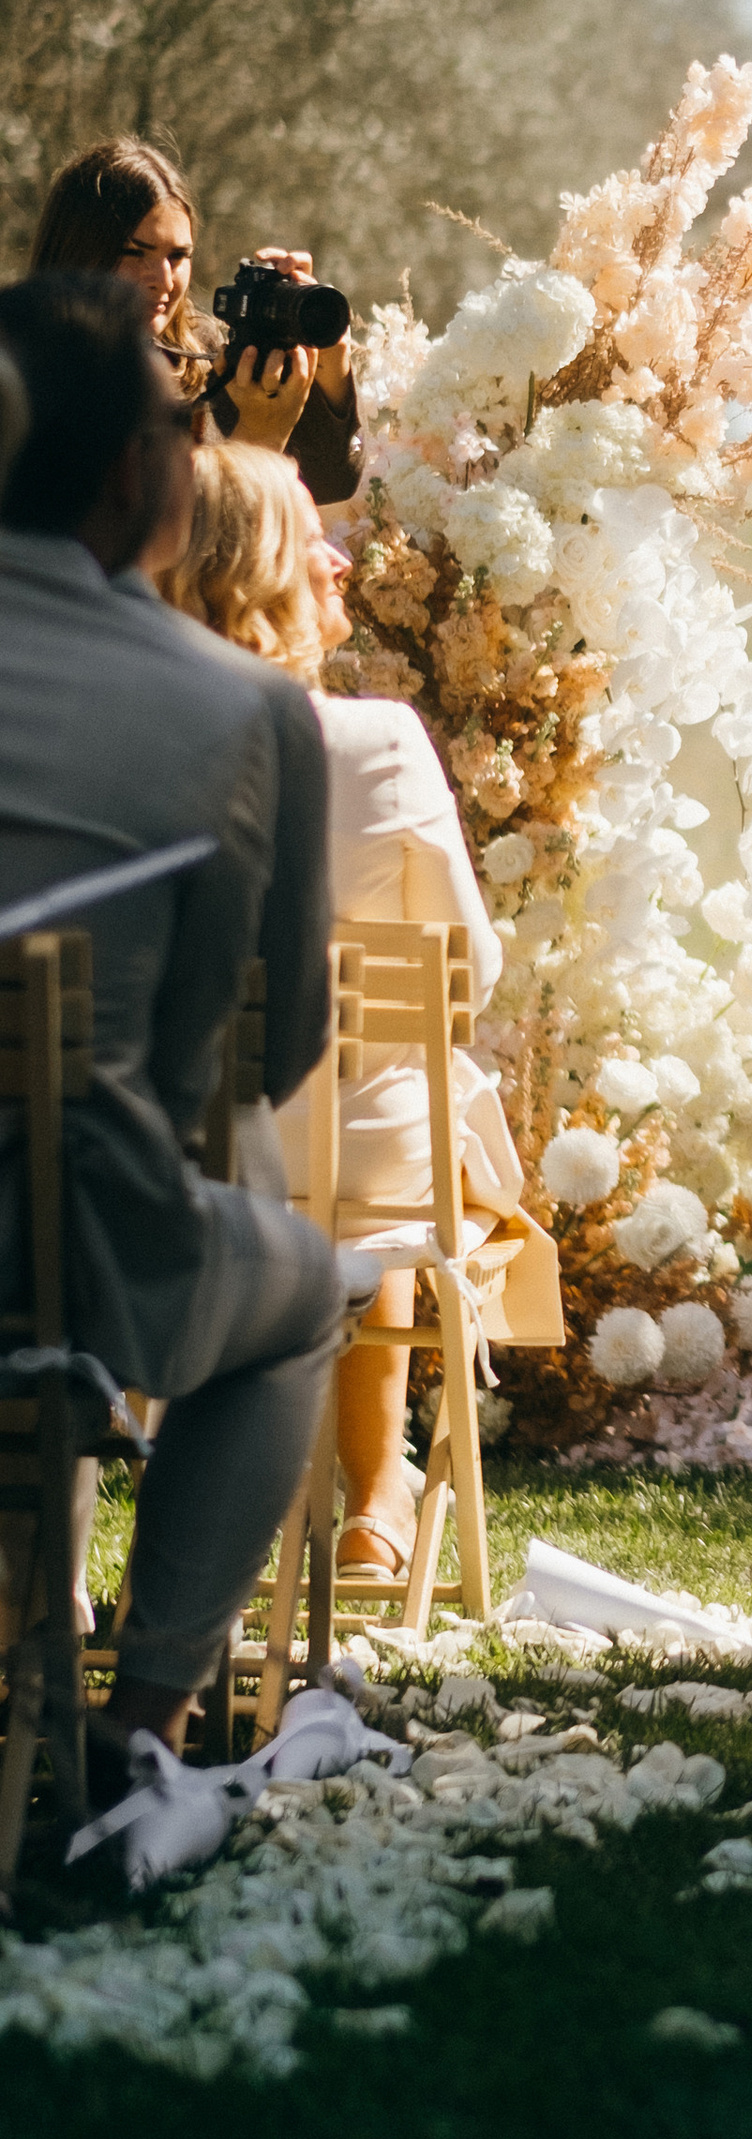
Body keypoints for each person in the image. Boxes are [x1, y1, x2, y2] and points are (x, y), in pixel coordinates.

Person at [0, 275, 340, 1771]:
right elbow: (258, 1061)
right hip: (60, 1262)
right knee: (307, 1293)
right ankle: (136, 1726)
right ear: (145, 468)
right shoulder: (241, 713)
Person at [158, 440, 523, 1584]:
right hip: (363, 1172)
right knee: (396, 1102)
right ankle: (376, 1504)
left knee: (358, 1109)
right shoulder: (382, 743)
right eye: (309, 532)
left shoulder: (142, 742)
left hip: (185, 1152)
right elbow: (463, 968)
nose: (338, 553)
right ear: (262, 564)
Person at [27, 138, 366, 506]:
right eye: (134, 253)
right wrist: (256, 440)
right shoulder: (26, 380)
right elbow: (147, 546)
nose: (164, 280)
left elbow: (329, 483)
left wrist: (331, 370)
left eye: (177, 256)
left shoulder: (203, 354)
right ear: (78, 252)